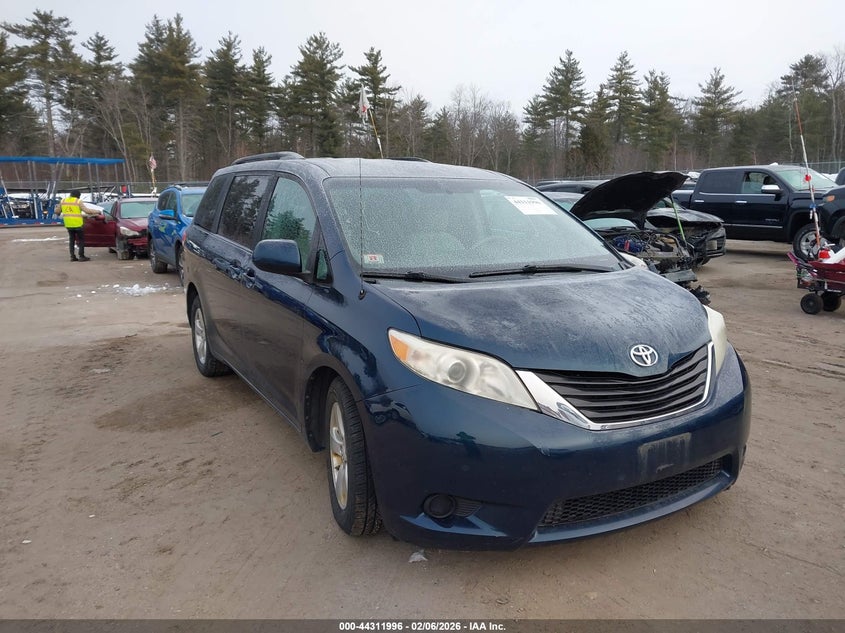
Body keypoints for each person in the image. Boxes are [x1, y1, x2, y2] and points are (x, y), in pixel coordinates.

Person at [57, 189, 100, 261]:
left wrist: (61, 213)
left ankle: (72, 257)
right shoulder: (78, 201)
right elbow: (87, 211)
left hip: (68, 224)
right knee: (81, 240)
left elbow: (57, 211)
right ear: (78, 196)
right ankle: (81, 256)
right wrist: (97, 211)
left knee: (72, 240)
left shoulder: (63, 201)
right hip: (78, 224)